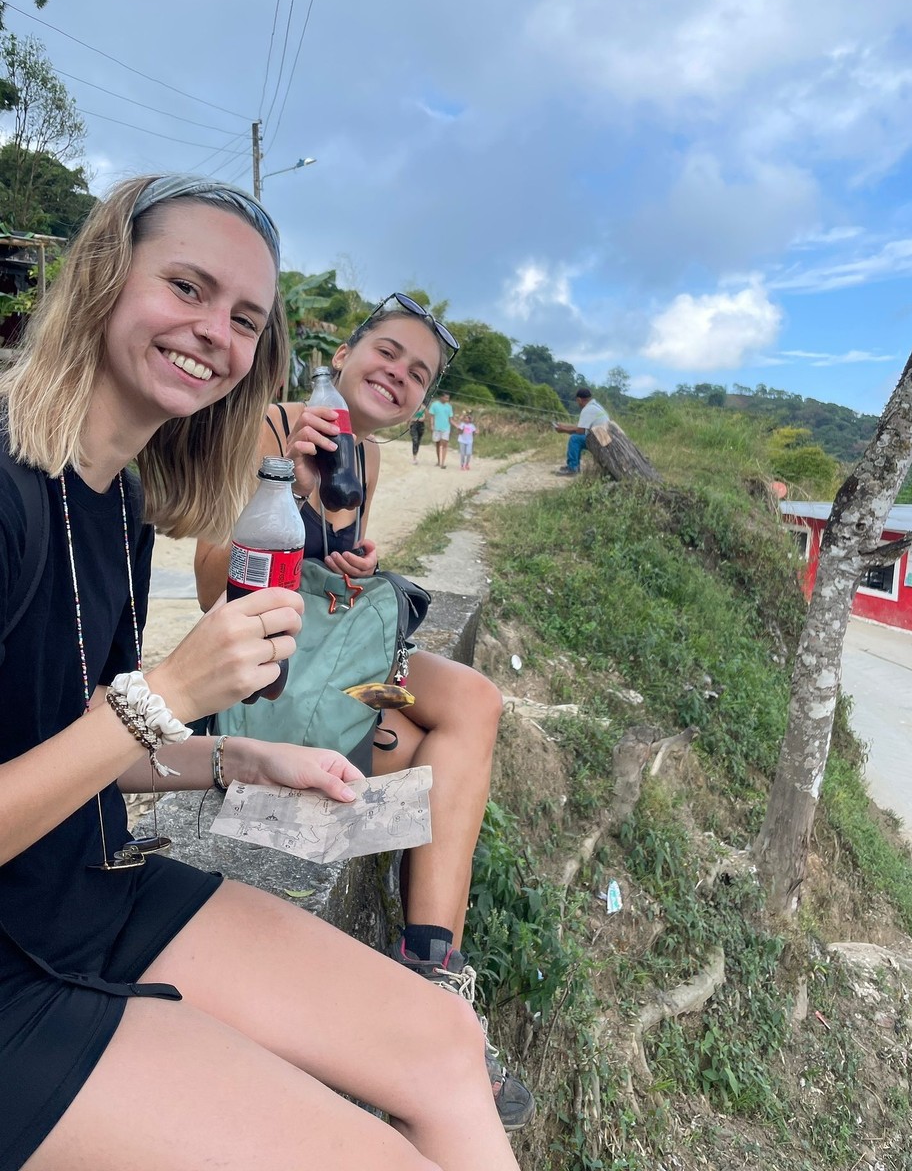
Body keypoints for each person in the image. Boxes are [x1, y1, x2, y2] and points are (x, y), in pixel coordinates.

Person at [0, 178, 522, 1171]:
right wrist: (166, 693)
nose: (214, 331)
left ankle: (434, 960)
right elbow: (128, 706)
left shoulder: (116, 495)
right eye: (187, 286)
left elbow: (68, 731)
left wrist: (237, 758)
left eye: (244, 317)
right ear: (107, 276)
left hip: (81, 890)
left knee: (447, 1041)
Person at [194, 293, 534, 1133]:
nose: (399, 375)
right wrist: (285, 490)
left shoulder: (369, 459)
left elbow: (334, 595)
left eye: (418, 372)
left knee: (474, 703)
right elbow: (211, 590)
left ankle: (430, 967)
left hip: (331, 670)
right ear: (344, 353)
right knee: (424, 741)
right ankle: (428, 985)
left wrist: (351, 564)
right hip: (258, 684)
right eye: (387, 352)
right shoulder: (272, 426)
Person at [553, 385, 610, 474]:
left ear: (579, 399)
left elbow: (580, 431)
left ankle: (572, 468)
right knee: (577, 437)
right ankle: (574, 466)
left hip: (600, 440)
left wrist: (563, 430)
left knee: (575, 439)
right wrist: (564, 426)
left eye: (577, 401)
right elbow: (581, 427)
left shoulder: (587, 409)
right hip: (604, 438)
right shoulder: (595, 406)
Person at [428, 390, 454, 468]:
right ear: (441, 397)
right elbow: (432, 416)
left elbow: (450, 419)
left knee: (445, 444)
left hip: (446, 428)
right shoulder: (434, 405)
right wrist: (432, 425)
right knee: (438, 444)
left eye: (448, 398)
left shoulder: (449, 407)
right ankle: (439, 461)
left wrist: (457, 425)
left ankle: (443, 463)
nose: (447, 399)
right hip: (437, 427)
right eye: (446, 398)